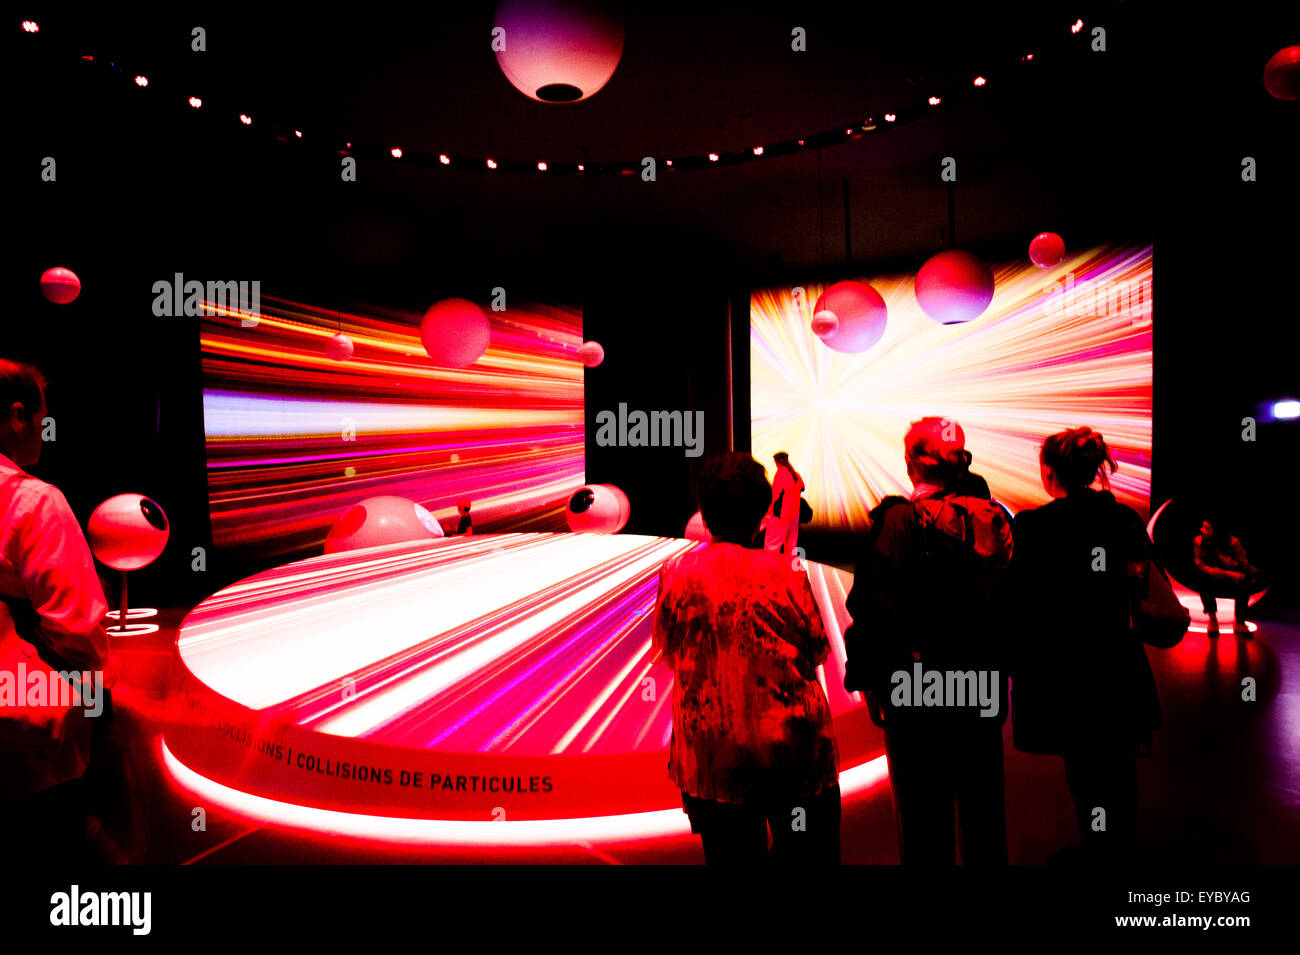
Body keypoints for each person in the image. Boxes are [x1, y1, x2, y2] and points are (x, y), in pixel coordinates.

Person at [652, 452, 840, 864]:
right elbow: (817, 651)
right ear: (762, 513)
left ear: (705, 510)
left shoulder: (677, 571)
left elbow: (668, 649)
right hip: (793, 755)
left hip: (713, 758)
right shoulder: (787, 572)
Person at [842, 416, 1011, 864]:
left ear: (912, 462)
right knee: (983, 813)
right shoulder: (993, 518)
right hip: (980, 682)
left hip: (915, 686)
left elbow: (873, 609)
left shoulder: (897, 520)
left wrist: (871, 680)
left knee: (922, 818)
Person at [1011, 427, 1167, 860]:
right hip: (1116, 660)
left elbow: (1022, 600)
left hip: (1063, 669)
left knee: (1082, 765)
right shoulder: (1123, 519)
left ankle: (1097, 847)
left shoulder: (1033, 526)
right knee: (1119, 764)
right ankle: (1118, 850)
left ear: (1050, 473)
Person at [0, 359, 114, 858]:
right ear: (19, 415)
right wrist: (102, 712)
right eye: (44, 417)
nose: (47, 429)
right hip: (27, 760)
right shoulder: (33, 502)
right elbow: (78, 636)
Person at [1192, 520, 1260, 636]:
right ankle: (1213, 620)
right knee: (1202, 579)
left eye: (1207, 527)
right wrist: (1213, 571)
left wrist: (1224, 561)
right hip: (1212, 577)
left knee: (1245, 582)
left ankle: (1240, 622)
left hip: (1230, 578)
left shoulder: (1233, 542)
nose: (1202, 530)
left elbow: (1242, 564)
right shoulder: (1199, 541)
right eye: (1203, 526)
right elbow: (1199, 564)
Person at [764, 451, 805, 555]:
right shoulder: (795, 474)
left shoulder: (780, 474)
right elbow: (802, 488)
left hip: (781, 514)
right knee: (791, 545)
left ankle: (771, 569)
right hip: (794, 514)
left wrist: (769, 514)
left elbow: (775, 496)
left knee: (772, 545)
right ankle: (790, 569)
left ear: (777, 462)